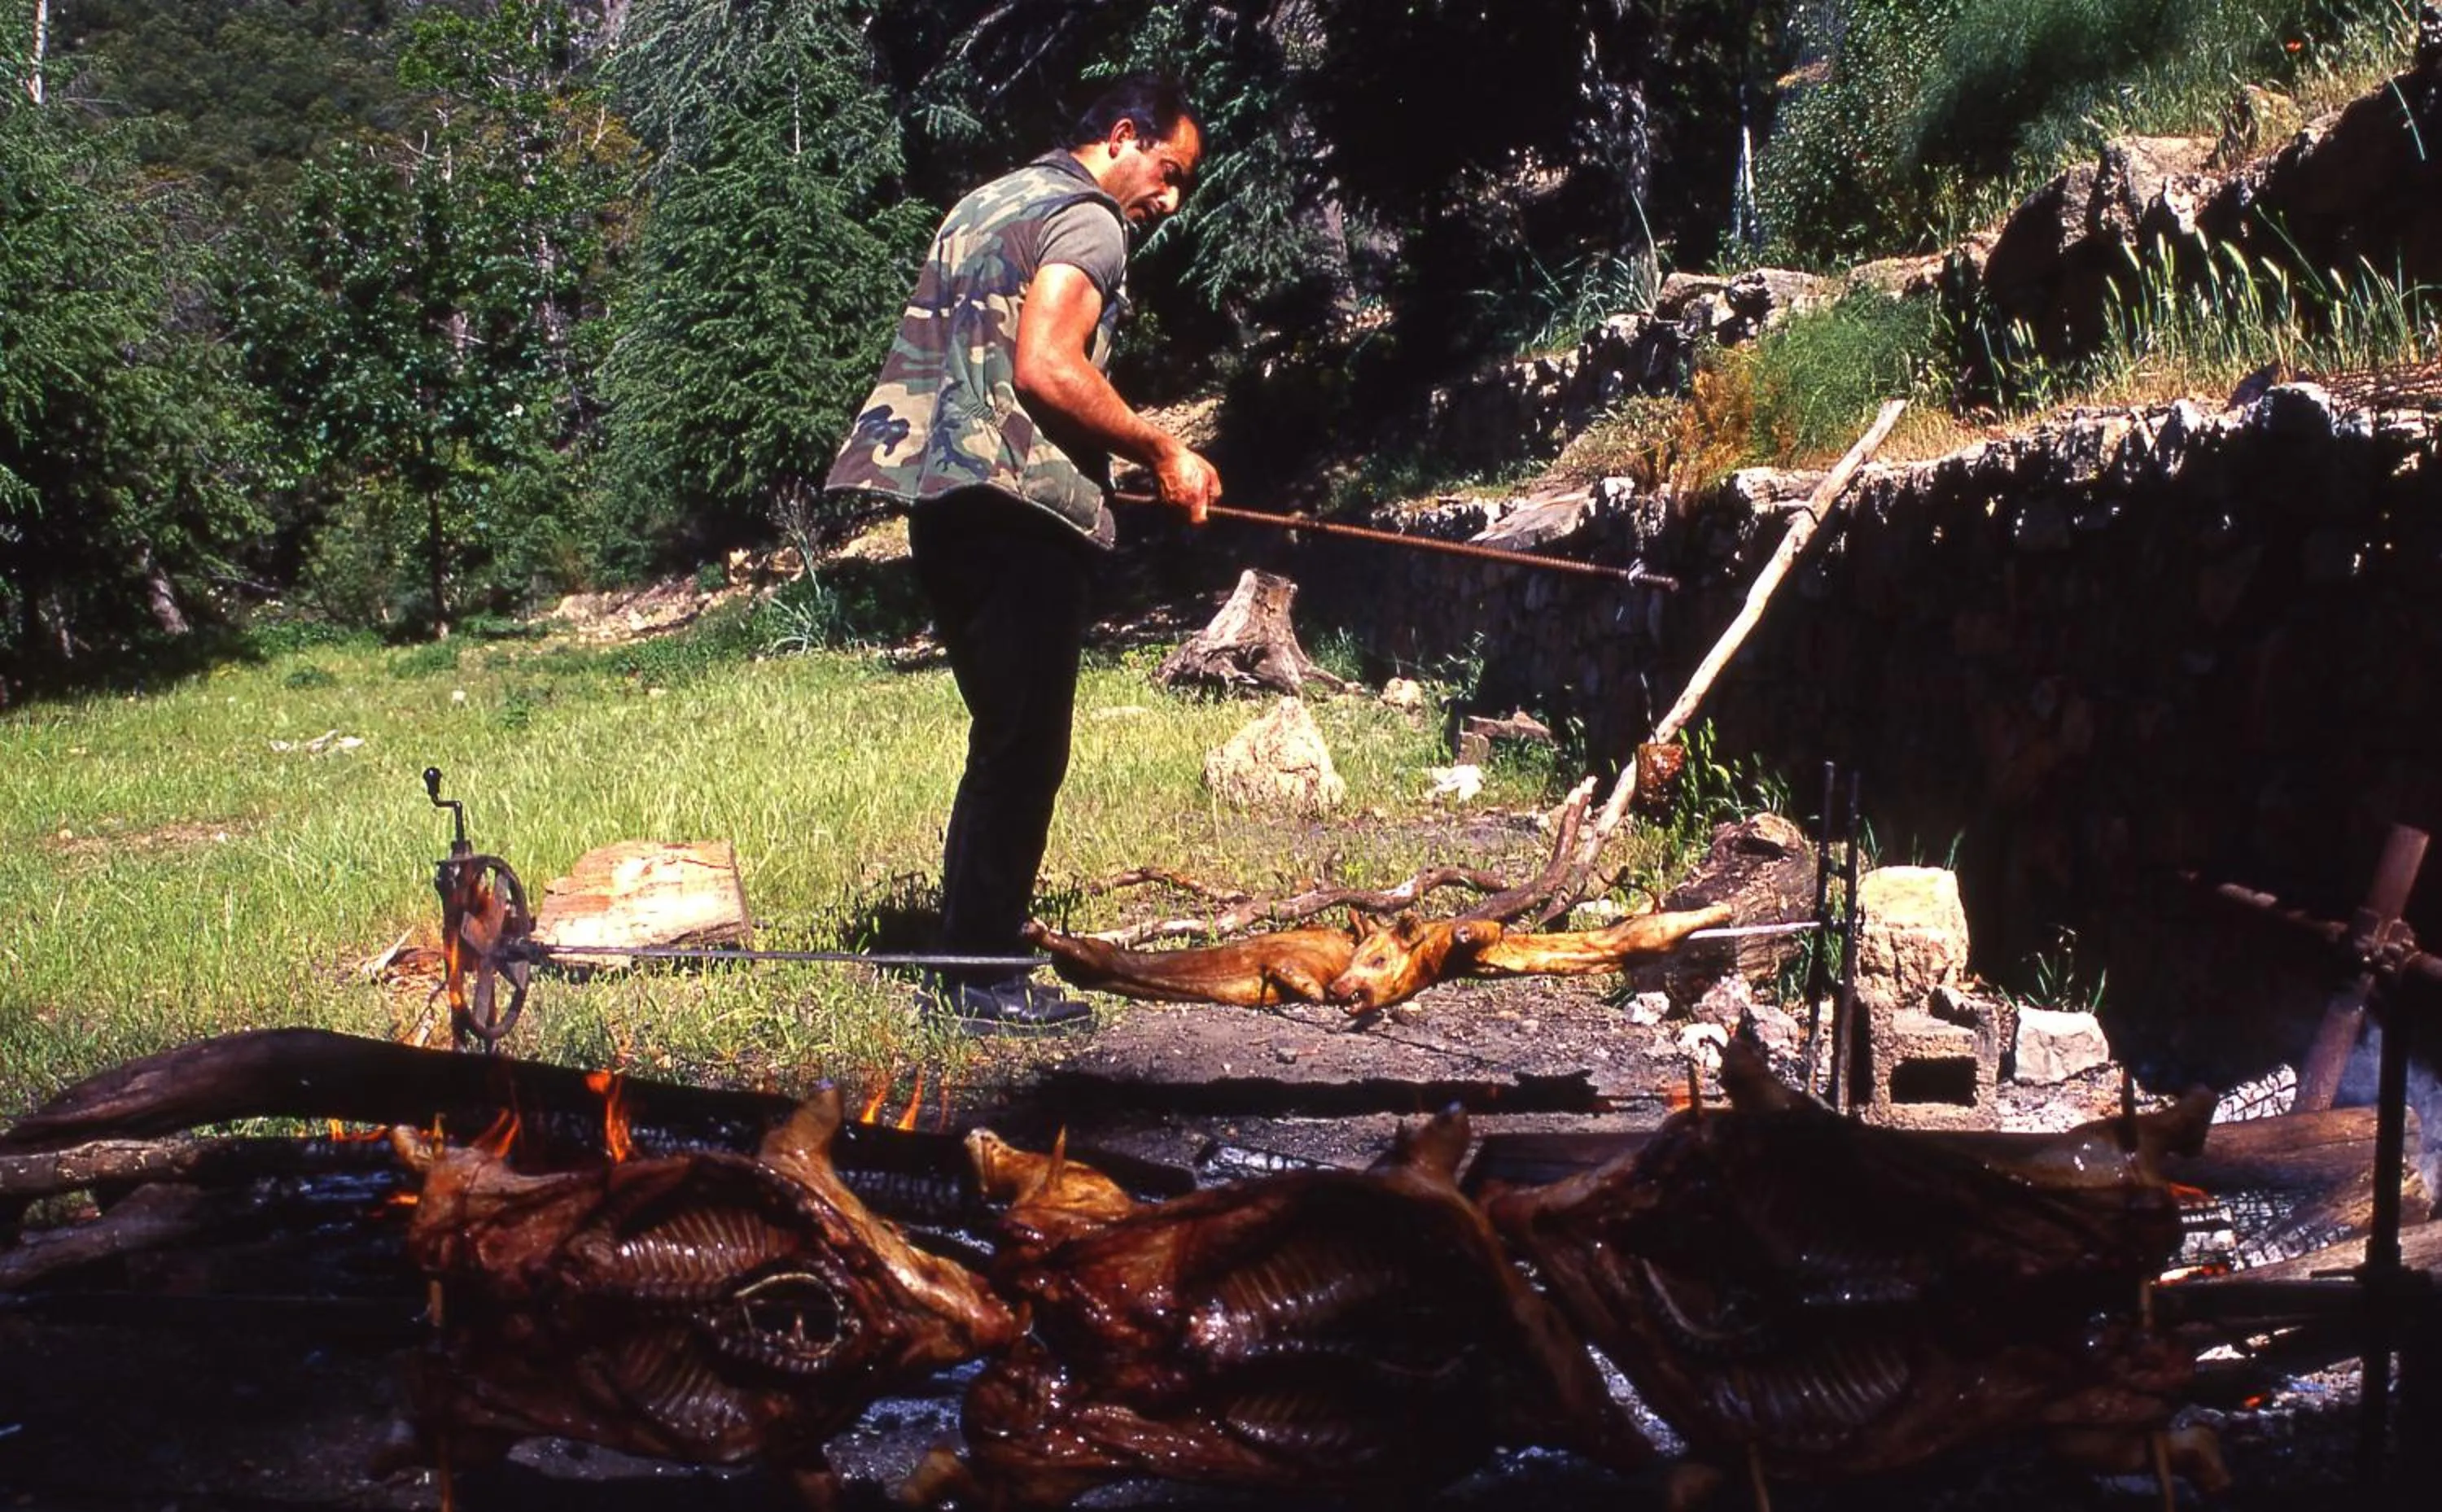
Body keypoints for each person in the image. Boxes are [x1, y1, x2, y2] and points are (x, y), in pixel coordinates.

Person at [825, 76, 1224, 1032]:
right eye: (1169, 172)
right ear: (1123, 136)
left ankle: (969, 953)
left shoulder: (987, 201)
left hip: (938, 501)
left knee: (1003, 736)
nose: (1170, 201)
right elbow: (1046, 364)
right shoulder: (1091, 221)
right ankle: (984, 979)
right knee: (1027, 746)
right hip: (1018, 511)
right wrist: (1161, 450)